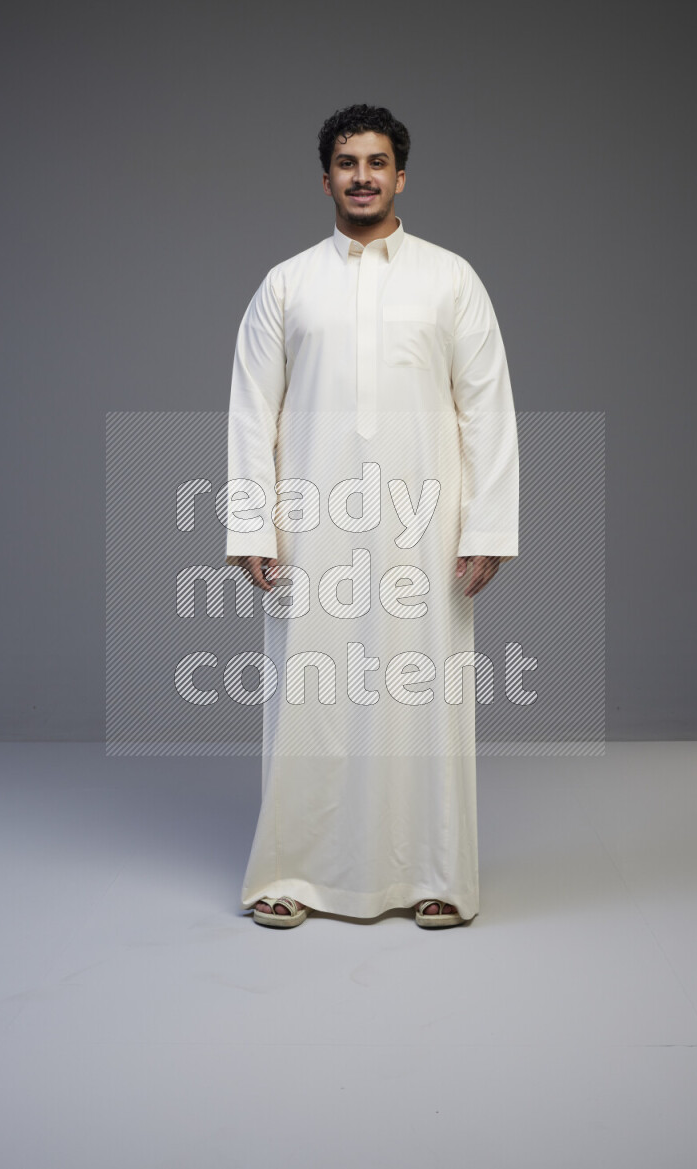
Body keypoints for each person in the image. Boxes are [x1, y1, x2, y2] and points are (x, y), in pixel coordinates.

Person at [225, 104, 519, 929]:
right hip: (310, 520)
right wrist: (251, 523)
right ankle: (290, 872)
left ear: (400, 176)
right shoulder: (287, 284)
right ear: (326, 179)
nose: (362, 175)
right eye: (347, 162)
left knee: (424, 695)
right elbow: (253, 411)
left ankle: (435, 874)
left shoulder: (449, 278)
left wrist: (489, 527)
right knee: (308, 693)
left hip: (425, 522)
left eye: (377, 161)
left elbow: (486, 407)